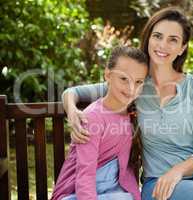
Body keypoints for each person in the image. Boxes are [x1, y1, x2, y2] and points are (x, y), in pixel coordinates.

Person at [62, 7, 193, 200]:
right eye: (157, 36)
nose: (162, 45)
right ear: (148, 38)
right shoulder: (135, 85)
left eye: (173, 40)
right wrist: (73, 112)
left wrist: (177, 172)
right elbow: (72, 92)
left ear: (182, 47)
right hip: (158, 183)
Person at [51, 46, 148, 200]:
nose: (131, 88)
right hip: (77, 194)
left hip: (112, 192)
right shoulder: (93, 117)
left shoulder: (131, 114)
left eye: (138, 82)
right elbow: (85, 175)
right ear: (108, 75)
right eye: (124, 79)